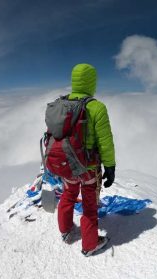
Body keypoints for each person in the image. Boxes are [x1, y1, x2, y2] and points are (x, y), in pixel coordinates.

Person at [58, 63, 116, 256]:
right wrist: (110, 166)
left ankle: (66, 230)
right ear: (92, 82)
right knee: (89, 203)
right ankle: (90, 244)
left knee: (68, 195)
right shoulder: (97, 107)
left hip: (66, 163)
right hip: (88, 166)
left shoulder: (61, 104)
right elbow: (105, 141)